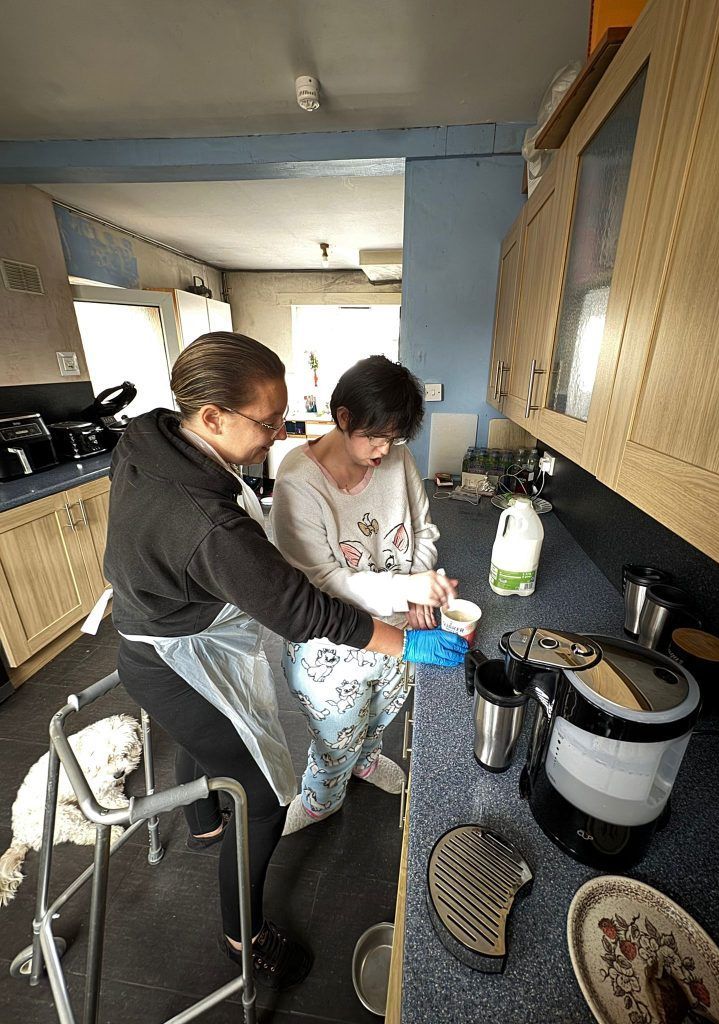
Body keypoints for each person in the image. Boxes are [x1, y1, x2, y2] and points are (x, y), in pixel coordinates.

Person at [103, 332, 466, 991]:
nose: (278, 435)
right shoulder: (208, 522)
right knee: (265, 800)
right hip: (171, 659)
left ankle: (203, 823)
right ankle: (241, 935)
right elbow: (307, 611)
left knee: (214, 738)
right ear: (211, 416)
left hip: (163, 622)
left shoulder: (152, 432)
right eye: (267, 423)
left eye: (280, 417)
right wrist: (407, 643)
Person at [271, 356, 453, 835]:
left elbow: (423, 530)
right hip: (330, 648)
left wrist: (418, 588)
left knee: (380, 713)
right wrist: (406, 587)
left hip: (398, 631)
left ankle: (366, 760)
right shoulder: (298, 481)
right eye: (375, 436)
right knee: (335, 735)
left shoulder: (397, 458)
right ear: (344, 417)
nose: (383, 450)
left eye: (392, 438)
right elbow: (324, 579)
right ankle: (321, 796)